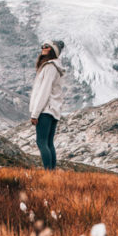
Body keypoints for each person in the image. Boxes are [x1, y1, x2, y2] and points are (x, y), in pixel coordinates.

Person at [30, 40, 65, 170]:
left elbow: (44, 91)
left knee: (41, 142)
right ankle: (51, 173)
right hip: (53, 110)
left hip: (46, 110)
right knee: (49, 143)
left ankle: (48, 173)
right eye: (43, 46)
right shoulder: (55, 67)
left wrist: (35, 113)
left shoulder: (49, 67)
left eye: (46, 46)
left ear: (52, 50)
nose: (43, 48)